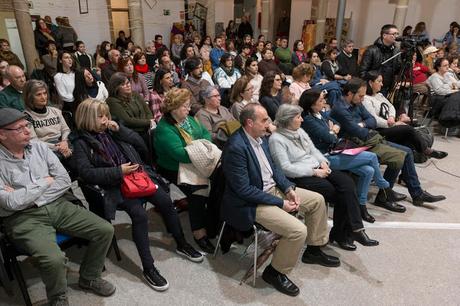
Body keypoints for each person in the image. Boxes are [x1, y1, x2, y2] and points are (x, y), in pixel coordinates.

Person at [71, 99, 203, 292]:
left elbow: (140, 143)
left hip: (137, 176)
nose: (105, 119)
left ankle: (181, 243)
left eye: (106, 115)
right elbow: (87, 174)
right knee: (139, 215)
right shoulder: (81, 143)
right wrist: (118, 171)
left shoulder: (111, 131)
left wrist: (120, 130)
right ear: (87, 118)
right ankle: (149, 268)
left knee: (166, 201)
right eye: (100, 116)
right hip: (114, 185)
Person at [0, 107, 115, 306]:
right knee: (53, 259)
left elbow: (63, 181)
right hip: (23, 218)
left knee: (105, 230)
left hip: (57, 204)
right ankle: (58, 297)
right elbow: (10, 203)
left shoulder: (40, 148)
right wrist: (45, 181)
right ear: (2, 134)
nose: (28, 131)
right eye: (20, 128)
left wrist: (27, 194)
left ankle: (89, 277)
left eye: (27, 125)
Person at [222, 103, 339, 297]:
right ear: (250, 122)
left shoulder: (261, 139)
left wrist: (288, 189)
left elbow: (275, 169)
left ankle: (314, 249)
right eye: (264, 120)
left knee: (317, 200)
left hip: (273, 190)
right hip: (251, 201)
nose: (269, 123)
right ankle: (275, 272)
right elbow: (244, 190)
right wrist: (280, 203)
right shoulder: (236, 147)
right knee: (297, 230)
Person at [269, 103, 378, 249]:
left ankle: (354, 229)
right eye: (298, 117)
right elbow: (286, 168)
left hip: (317, 167)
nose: (302, 120)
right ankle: (344, 233)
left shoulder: (299, 132)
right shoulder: (276, 139)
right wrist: (314, 171)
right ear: (288, 120)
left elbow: (313, 150)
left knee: (347, 183)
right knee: (340, 194)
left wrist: (323, 161)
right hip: (300, 176)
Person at [331, 78, 446, 208]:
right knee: (399, 154)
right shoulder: (340, 109)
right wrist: (365, 126)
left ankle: (415, 194)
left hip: (368, 139)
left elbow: (371, 120)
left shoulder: (357, 103)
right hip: (354, 145)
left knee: (407, 151)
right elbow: (358, 131)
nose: (363, 99)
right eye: (361, 95)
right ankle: (385, 196)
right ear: (350, 94)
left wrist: (363, 124)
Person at [300, 89, 393, 223]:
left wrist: (333, 129)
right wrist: (332, 130)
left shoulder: (320, 114)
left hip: (336, 150)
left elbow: (338, 123)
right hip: (324, 157)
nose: (324, 102)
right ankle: (383, 185)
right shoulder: (308, 119)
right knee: (372, 157)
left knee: (369, 170)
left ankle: (361, 206)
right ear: (311, 104)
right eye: (320, 100)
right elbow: (329, 137)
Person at [154, 88, 217, 254]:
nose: (189, 109)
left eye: (188, 105)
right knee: (198, 190)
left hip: (194, 160)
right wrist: (202, 149)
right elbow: (180, 154)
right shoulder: (164, 128)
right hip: (173, 167)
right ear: (173, 109)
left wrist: (200, 147)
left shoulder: (188, 119)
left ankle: (213, 218)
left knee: (219, 178)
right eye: (185, 106)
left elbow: (205, 133)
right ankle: (199, 232)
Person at [363, 72, 447, 160]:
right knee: (408, 129)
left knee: (413, 126)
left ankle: (421, 152)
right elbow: (373, 119)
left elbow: (391, 107)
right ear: (370, 83)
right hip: (380, 129)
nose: (382, 84)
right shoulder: (366, 99)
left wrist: (391, 117)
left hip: (390, 124)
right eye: (379, 81)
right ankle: (426, 150)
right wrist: (393, 124)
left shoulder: (379, 95)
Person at [23, 80, 72, 160]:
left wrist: (64, 142)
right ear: (30, 97)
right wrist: (57, 147)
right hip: (44, 149)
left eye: (45, 93)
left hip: (63, 144)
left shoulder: (55, 111)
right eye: (38, 94)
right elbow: (34, 141)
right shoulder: (27, 116)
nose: (43, 97)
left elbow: (66, 130)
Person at [106, 72, 154, 146]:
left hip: (146, 130)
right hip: (132, 136)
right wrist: (148, 122)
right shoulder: (112, 101)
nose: (128, 86)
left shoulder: (135, 94)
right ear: (116, 87)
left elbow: (147, 110)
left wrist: (150, 121)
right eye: (123, 84)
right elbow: (127, 120)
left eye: (128, 82)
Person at [360, 24, 402, 96]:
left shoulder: (396, 51)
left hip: (387, 87)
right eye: (394, 34)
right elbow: (362, 72)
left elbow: (397, 70)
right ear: (384, 35)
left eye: (397, 34)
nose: (397, 36)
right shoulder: (371, 50)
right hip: (372, 88)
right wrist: (369, 88)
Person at [426, 57, 460, 127]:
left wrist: (451, 88)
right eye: (445, 65)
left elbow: (456, 84)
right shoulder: (434, 77)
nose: (447, 67)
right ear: (438, 67)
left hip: (446, 96)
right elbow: (440, 91)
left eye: (448, 65)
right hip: (437, 99)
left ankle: (456, 123)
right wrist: (452, 89)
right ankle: (452, 122)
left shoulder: (447, 75)